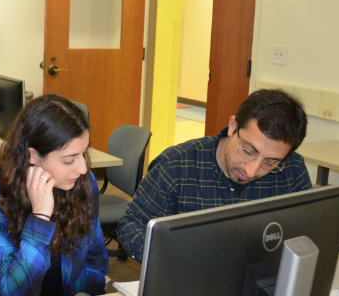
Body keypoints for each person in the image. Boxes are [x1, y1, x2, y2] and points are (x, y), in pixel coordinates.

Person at [117, 88, 313, 262]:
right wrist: (169, 260)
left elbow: (308, 231)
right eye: (248, 150)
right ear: (232, 126)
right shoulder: (177, 165)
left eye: (270, 162)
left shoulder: (292, 170)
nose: (252, 170)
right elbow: (131, 225)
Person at [0, 94, 108, 296]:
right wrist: (40, 219)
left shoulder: (83, 183)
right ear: (32, 155)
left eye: (84, 153)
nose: (82, 168)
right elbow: (12, 292)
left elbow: (94, 256)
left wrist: (88, 292)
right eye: (69, 160)